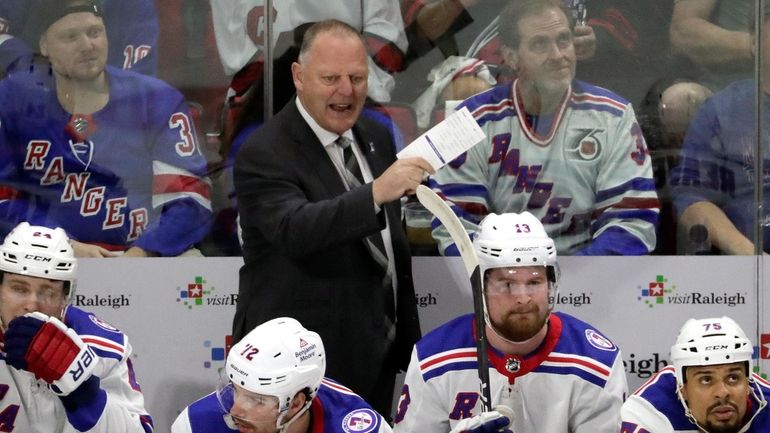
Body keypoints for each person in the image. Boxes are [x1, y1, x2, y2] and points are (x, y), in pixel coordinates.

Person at [232, 19, 433, 418]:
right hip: (295, 366)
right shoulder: (264, 150)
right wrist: (377, 191)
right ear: (299, 76)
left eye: (357, 77)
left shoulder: (375, 133)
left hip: (378, 350)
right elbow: (295, 229)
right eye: (331, 78)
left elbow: (388, 238)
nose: (347, 91)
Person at [428, 0, 659, 256]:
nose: (558, 55)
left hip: (591, 282)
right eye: (540, 44)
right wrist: (513, 277)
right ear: (511, 57)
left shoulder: (614, 116)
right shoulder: (470, 120)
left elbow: (631, 220)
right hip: (498, 280)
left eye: (564, 40)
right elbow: (457, 226)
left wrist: (570, 280)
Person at [0, 0, 212, 258]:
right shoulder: (14, 101)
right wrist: (59, 244)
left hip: (144, 255)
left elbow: (190, 198)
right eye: (70, 37)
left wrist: (147, 250)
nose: (87, 45)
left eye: (94, 33)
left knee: (192, 262)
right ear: (44, 46)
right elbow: (3, 199)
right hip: (46, 257)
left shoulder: (156, 100)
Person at [393, 211, 627, 432]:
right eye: (506, 284)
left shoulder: (597, 364)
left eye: (534, 282)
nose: (523, 298)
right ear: (480, 288)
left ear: (550, 285)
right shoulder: (433, 359)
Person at [0, 222, 153, 432]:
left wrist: (83, 391)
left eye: (47, 292)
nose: (32, 305)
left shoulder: (104, 346)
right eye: (19, 288)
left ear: (65, 296)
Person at [172, 317, 393, 433]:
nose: (235, 410)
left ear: (296, 403)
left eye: (256, 400)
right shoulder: (195, 425)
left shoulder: (359, 427)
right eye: (236, 391)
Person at [669, 3, 770, 255]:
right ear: (755, 42)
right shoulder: (721, 110)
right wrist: (750, 256)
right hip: (746, 267)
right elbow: (691, 198)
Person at [209, 0, 407, 103]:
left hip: (352, 109)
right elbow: (241, 66)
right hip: (263, 113)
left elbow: (386, 51)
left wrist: (337, 89)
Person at [621, 316, 770, 432]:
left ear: (748, 383)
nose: (723, 392)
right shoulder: (647, 414)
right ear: (682, 389)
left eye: (733, 378)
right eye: (706, 379)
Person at [0, 0, 159, 76]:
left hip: (106, 118)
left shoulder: (135, 6)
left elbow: (136, 82)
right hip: (33, 101)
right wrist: (33, 68)